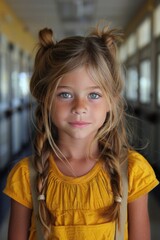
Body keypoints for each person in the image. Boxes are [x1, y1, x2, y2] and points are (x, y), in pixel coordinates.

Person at [4, 24, 159, 240]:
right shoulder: (26, 176)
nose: (80, 107)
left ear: (111, 102)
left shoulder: (132, 172)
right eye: (65, 95)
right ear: (46, 100)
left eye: (94, 95)